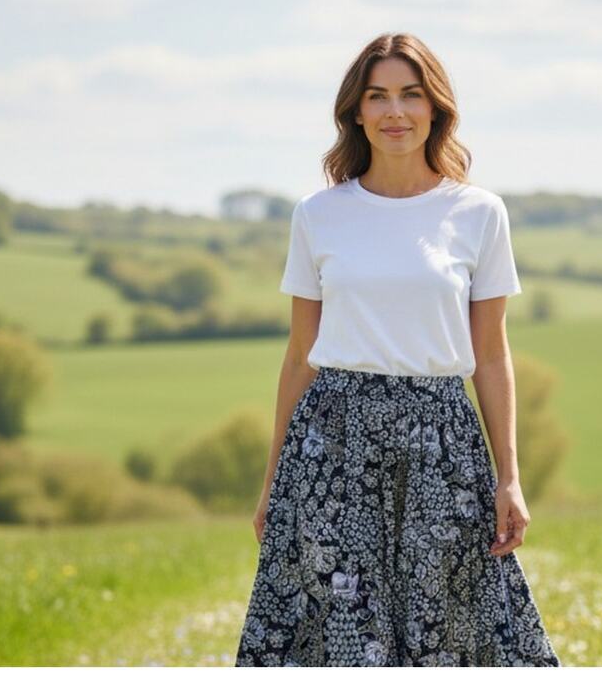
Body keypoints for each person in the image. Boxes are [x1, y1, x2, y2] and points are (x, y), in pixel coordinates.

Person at [234, 33, 561, 667]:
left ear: (436, 108)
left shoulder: (479, 213)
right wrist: (273, 481)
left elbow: (491, 356)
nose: (394, 112)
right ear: (355, 111)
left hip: (441, 443)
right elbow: (300, 356)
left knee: (444, 635)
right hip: (332, 444)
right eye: (377, 96)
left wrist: (510, 477)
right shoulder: (319, 215)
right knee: (344, 639)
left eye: (411, 96)